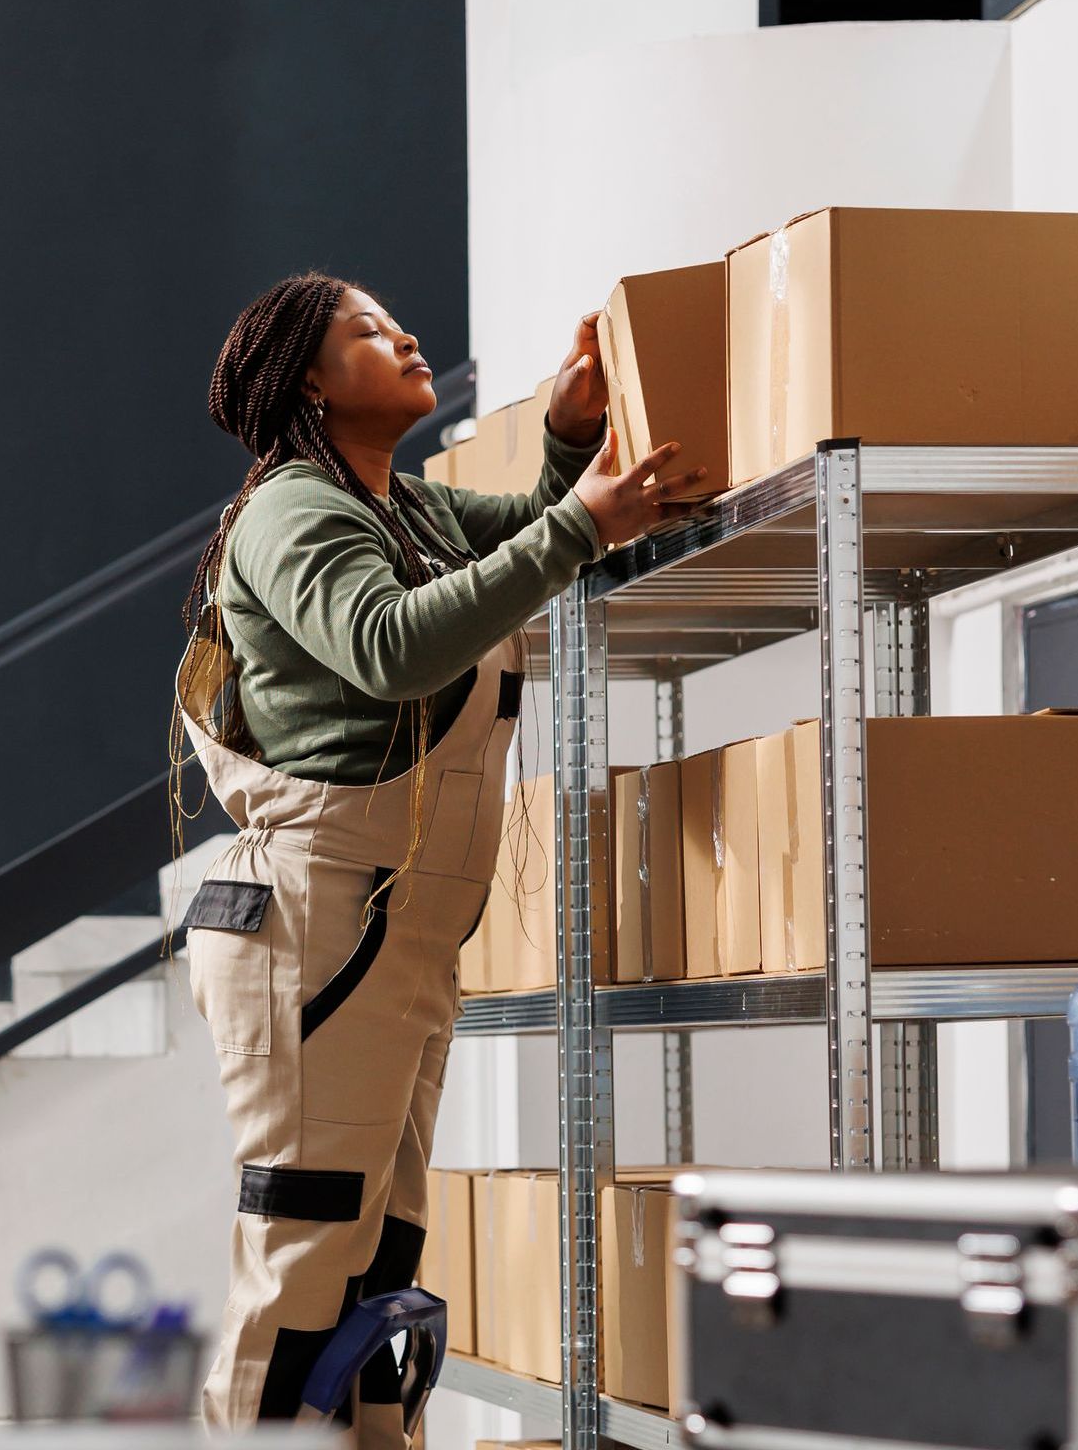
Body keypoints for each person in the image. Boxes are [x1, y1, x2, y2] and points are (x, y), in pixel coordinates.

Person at [171, 271, 700, 1448]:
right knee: (308, 1259)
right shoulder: (293, 512)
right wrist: (582, 517)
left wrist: (568, 442)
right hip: (319, 919)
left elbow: (534, 547)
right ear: (308, 378)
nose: (405, 334)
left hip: (395, 923)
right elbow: (391, 647)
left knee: (377, 1264)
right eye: (367, 329)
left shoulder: (403, 508)